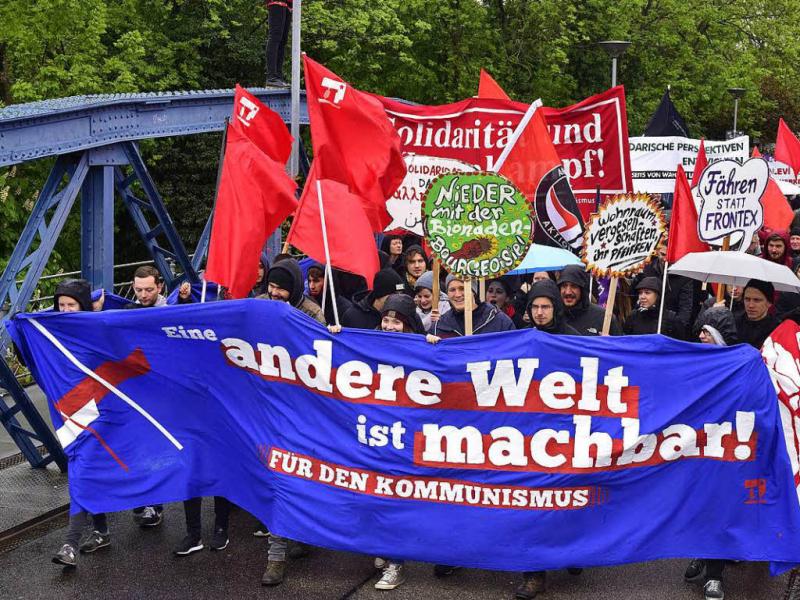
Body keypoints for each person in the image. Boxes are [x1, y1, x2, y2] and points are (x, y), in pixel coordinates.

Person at [515, 279, 581, 598]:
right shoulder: (517, 339)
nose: (540, 313)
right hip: (528, 434)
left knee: (566, 500)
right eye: (535, 307)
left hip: (565, 434)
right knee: (534, 504)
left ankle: (572, 551)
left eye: (546, 307)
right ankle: (534, 574)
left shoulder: (574, 341)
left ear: (556, 308)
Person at [124, 265, 191, 527]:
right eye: (138, 289)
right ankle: (145, 497)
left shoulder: (169, 313)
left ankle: (155, 503)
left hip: (163, 393)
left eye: (149, 289)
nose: (143, 294)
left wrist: (186, 300)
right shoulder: (126, 313)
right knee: (138, 447)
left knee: (156, 448)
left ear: (160, 287)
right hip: (136, 390)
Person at [51, 279, 111, 568]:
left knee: (83, 474)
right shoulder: (51, 331)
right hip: (70, 414)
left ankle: (71, 543)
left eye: (70, 305)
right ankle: (100, 531)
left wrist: (97, 316)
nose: (64, 311)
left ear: (82, 306)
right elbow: (33, 359)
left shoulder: (95, 331)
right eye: (60, 305)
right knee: (84, 473)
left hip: (99, 412)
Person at [684, 307, 738, 600]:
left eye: (708, 331)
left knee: (716, 510)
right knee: (696, 506)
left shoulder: (738, 365)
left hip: (723, 450)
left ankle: (715, 576)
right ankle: (700, 553)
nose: (701, 335)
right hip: (692, 447)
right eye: (701, 330)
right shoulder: (691, 360)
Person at [431, 274, 515, 338]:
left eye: (462, 288)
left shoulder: (499, 321)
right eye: (452, 290)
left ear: (474, 292)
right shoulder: (439, 326)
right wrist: (428, 342)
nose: (457, 294)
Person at [632, 245, 695, 329]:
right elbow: (635, 295)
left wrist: (676, 327)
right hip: (645, 321)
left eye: (670, 255)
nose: (665, 259)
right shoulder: (647, 269)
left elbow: (685, 308)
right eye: (663, 254)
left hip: (669, 325)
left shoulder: (684, 276)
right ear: (657, 252)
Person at [258, 258, 326, 324]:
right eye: (271, 286)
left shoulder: (312, 314)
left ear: (294, 290)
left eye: (281, 289)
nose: (274, 293)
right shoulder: (259, 302)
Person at [557, 265, 621, 336]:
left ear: (582, 289)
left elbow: (620, 345)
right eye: (564, 286)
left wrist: (611, 343)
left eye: (574, 286)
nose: (568, 292)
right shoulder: (553, 316)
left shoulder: (604, 317)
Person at [341, 269, 406, 330]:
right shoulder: (353, 316)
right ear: (380, 294)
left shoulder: (406, 313)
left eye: (401, 294)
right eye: (394, 295)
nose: (399, 299)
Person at [735, 279, 780, 349]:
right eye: (747, 299)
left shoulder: (777, 329)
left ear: (769, 303)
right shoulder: (733, 323)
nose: (750, 305)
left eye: (757, 300)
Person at [265, 0, 292, 87]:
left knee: (283, 41)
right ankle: (271, 77)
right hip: (277, 3)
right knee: (275, 38)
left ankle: (278, 77)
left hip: (288, 5)